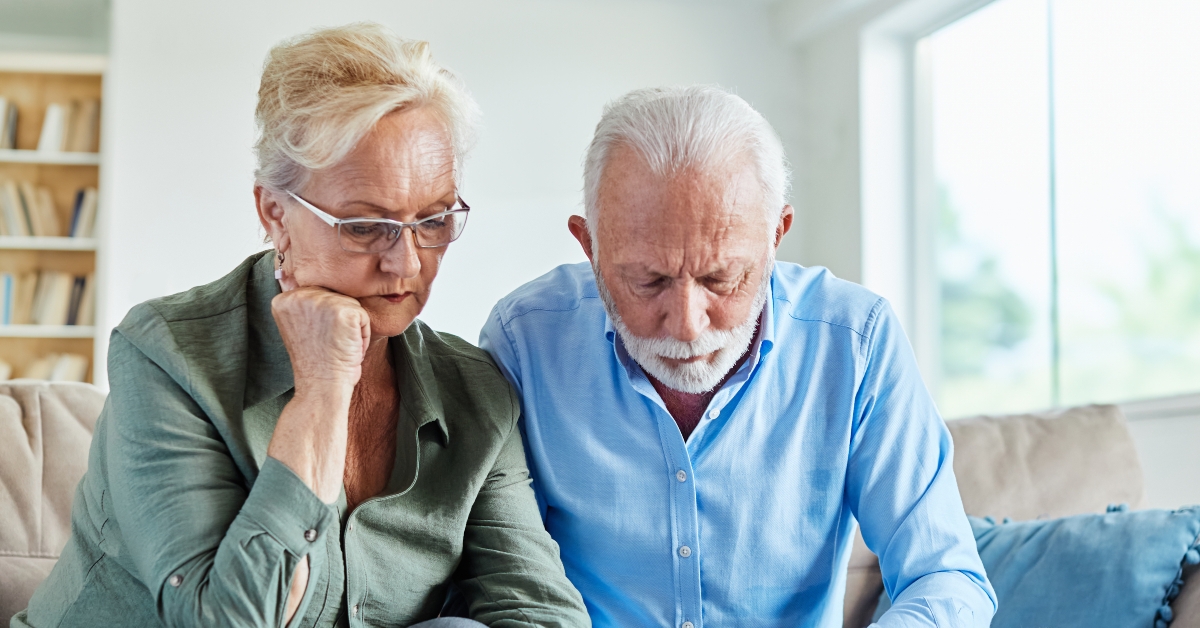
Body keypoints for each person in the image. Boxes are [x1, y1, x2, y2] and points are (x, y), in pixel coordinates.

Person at [13, 24, 588, 628]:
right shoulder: (167, 355)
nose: (407, 261)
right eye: (366, 226)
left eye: (434, 219)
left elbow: (539, 610)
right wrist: (322, 392)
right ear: (275, 214)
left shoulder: (476, 394)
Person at [479, 85, 997, 627]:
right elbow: (505, 585)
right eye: (647, 280)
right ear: (589, 246)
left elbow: (945, 577)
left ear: (777, 234)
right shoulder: (524, 343)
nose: (686, 324)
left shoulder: (855, 342)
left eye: (721, 278)